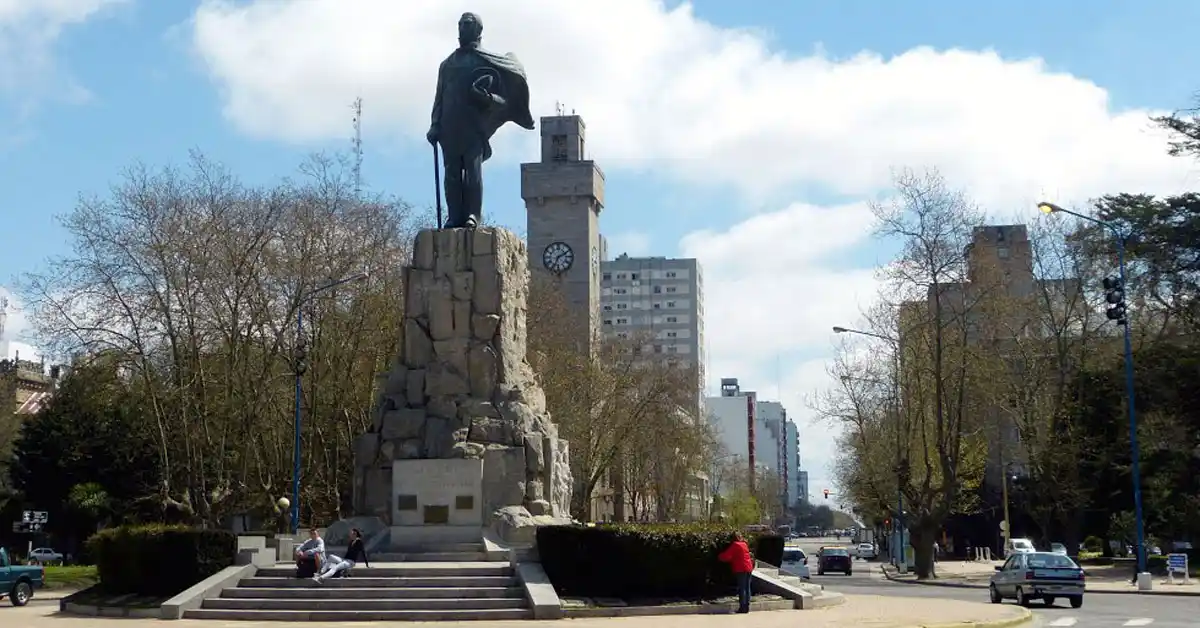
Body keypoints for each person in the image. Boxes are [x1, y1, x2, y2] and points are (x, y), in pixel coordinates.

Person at [426, 12, 535, 229]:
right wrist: (435, 124)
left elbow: (502, 102)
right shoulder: (447, 64)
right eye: (460, 24)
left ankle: (473, 215)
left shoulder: (487, 61)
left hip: (473, 125)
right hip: (449, 126)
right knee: (451, 175)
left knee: (473, 172)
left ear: (478, 30)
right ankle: (454, 216)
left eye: (467, 24)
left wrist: (484, 96)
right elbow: (439, 97)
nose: (462, 28)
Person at [718, 532, 755, 614]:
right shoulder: (744, 544)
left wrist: (719, 556)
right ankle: (747, 606)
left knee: (742, 588)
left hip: (741, 568)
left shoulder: (735, 545)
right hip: (748, 567)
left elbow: (726, 556)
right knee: (747, 587)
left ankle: (742, 607)